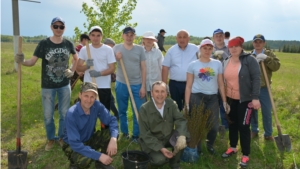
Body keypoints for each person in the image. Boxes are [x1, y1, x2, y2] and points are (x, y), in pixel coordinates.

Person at [14, 16, 78, 151]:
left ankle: (61, 137)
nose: (58, 29)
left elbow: (76, 58)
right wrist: (22, 61)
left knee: (64, 113)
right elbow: (32, 62)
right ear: (51, 27)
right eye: (56, 26)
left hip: (64, 85)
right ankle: (50, 139)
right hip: (48, 86)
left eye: (61, 27)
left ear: (64, 28)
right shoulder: (44, 43)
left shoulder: (68, 43)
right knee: (48, 115)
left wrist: (72, 70)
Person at [221, 36, 261, 168]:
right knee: (232, 124)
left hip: (246, 99)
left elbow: (256, 79)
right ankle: (232, 147)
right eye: (231, 47)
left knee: (244, 126)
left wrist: (255, 97)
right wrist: (225, 100)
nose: (233, 49)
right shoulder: (226, 61)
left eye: (236, 46)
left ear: (241, 47)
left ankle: (245, 154)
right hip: (231, 99)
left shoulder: (250, 60)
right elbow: (223, 80)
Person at [185, 39, 229, 155]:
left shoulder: (217, 64)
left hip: (212, 97)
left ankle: (210, 145)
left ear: (213, 50)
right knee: (197, 123)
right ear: (200, 49)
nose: (207, 51)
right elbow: (188, 86)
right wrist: (187, 103)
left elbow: (220, 83)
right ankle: (198, 147)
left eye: (210, 48)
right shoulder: (193, 65)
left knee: (214, 125)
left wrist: (224, 101)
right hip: (197, 96)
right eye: (205, 48)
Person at [62, 82, 118, 169]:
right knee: (84, 161)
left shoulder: (96, 105)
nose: (89, 100)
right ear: (80, 95)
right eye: (86, 96)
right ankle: (74, 163)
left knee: (111, 134)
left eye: (92, 97)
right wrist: (98, 155)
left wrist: (113, 139)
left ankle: (100, 163)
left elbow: (112, 120)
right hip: (72, 144)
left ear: (95, 97)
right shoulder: (71, 113)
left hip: (89, 138)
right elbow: (75, 144)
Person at [139, 81, 189, 169]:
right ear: (152, 93)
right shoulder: (144, 109)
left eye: (162, 91)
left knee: (185, 137)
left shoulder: (171, 104)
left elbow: (180, 120)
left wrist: (182, 136)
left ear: (166, 93)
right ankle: (150, 157)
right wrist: (161, 148)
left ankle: (175, 164)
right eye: (157, 91)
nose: (160, 95)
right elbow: (145, 134)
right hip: (152, 139)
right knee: (160, 160)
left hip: (167, 136)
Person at [113, 26, 146, 142]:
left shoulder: (140, 49)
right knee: (122, 110)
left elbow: (143, 68)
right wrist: (116, 58)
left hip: (137, 84)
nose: (129, 37)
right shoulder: (116, 48)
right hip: (122, 83)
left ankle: (136, 135)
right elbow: (111, 64)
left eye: (131, 35)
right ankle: (125, 132)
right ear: (123, 36)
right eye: (127, 35)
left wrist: (143, 86)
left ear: (134, 37)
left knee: (138, 110)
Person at [76, 26, 116, 112]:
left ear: (102, 36)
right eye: (93, 35)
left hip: (104, 86)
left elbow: (112, 68)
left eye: (98, 35)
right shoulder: (84, 49)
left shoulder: (108, 50)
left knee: (104, 114)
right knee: (87, 113)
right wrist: (86, 66)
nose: (95, 38)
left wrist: (99, 73)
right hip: (88, 86)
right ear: (89, 36)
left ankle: (104, 126)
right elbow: (78, 68)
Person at [250, 34, 280, 141]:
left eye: (260, 42)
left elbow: (276, 66)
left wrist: (266, 59)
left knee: (267, 111)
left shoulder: (269, 54)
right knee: (253, 110)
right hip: (252, 89)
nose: (258, 44)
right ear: (253, 43)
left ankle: (268, 134)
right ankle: (254, 130)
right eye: (256, 42)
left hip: (265, 88)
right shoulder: (250, 56)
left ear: (264, 43)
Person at [162, 29, 198, 111]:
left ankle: (189, 123)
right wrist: (164, 86)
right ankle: (178, 123)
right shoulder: (171, 50)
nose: (182, 39)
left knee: (190, 107)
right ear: (176, 38)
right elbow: (165, 67)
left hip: (191, 83)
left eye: (184, 37)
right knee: (176, 108)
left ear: (188, 38)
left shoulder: (195, 49)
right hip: (175, 84)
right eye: (180, 37)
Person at [212, 28, 230, 130]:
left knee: (224, 104)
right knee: (214, 106)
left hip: (226, 81)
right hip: (213, 82)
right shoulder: (210, 48)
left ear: (224, 37)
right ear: (213, 37)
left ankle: (225, 126)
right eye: (216, 36)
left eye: (220, 36)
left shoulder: (228, 49)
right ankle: (214, 127)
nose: (219, 38)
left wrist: (224, 55)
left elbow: (233, 60)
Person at [142, 31, 164, 97]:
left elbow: (162, 67)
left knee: (155, 104)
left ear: (154, 41)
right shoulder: (139, 52)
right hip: (143, 84)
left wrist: (163, 84)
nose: (149, 41)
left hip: (156, 84)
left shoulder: (158, 52)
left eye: (151, 39)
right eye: (147, 39)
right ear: (144, 40)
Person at [103, 38, 119, 121]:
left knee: (111, 99)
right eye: (110, 47)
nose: (111, 50)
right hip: (100, 82)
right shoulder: (103, 55)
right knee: (110, 100)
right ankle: (116, 115)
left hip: (106, 82)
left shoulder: (110, 55)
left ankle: (115, 115)